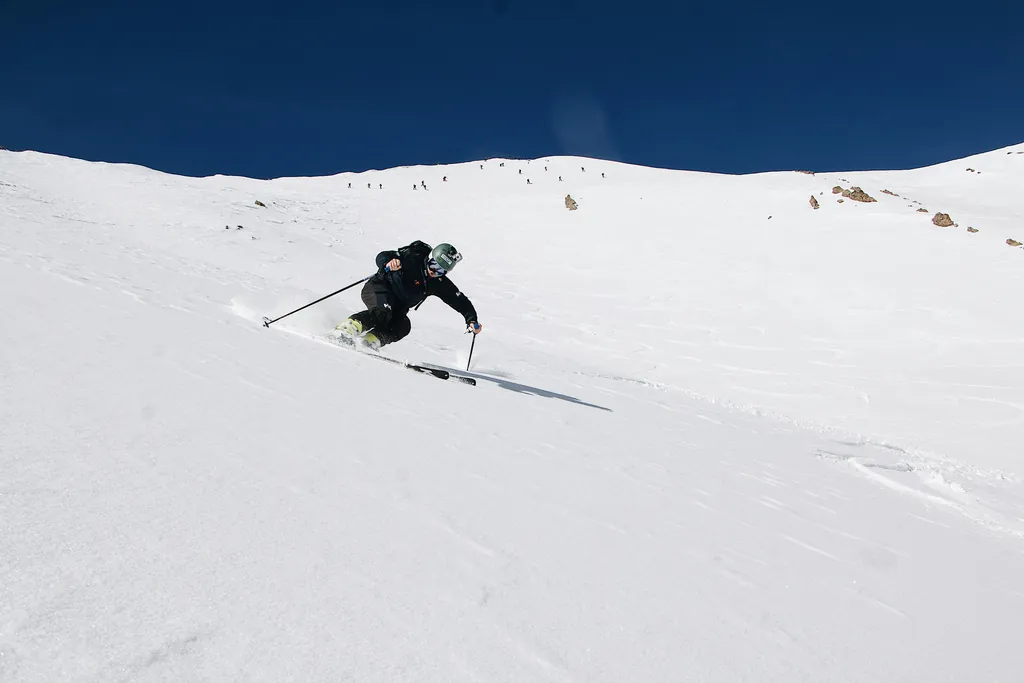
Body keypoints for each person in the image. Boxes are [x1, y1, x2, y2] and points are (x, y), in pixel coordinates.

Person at [334, 241, 482, 349]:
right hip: (379, 288)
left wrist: (471, 319)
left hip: (398, 306)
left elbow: (459, 300)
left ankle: (369, 342)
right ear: (429, 258)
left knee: (403, 326)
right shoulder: (412, 258)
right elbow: (382, 256)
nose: (435, 272)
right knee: (383, 313)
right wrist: (389, 263)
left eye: (441, 271)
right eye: (434, 265)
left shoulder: (438, 282)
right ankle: (346, 329)